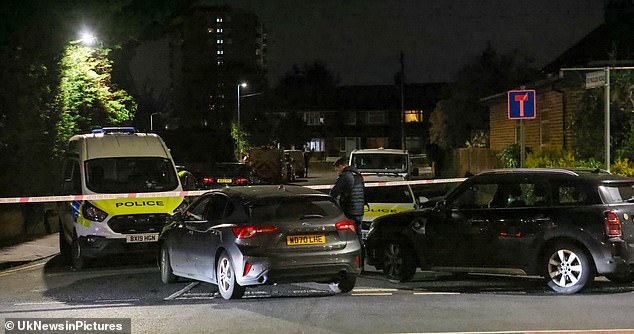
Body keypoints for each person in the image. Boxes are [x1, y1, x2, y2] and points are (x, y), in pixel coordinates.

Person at [330, 156, 366, 269]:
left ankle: (350, 263)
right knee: (359, 237)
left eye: (337, 169)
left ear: (342, 166)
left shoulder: (345, 176)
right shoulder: (358, 175)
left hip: (349, 209)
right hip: (359, 210)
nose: (337, 172)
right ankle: (361, 264)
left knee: (349, 238)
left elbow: (334, 192)